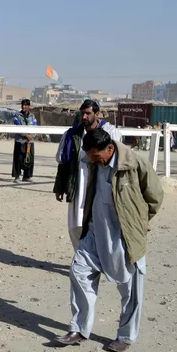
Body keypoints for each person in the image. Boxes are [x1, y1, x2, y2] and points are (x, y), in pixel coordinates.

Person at [55, 128, 164, 352]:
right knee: (79, 272)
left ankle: (125, 336)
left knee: (131, 290)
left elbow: (154, 195)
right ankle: (79, 328)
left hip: (124, 236)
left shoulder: (134, 163)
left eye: (97, 156)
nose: (94, 161)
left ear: (110, 149)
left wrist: (140, 222)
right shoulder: (94, 161)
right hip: (95, 231)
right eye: (91, 157)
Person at [54, 99, 122, 250]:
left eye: (88, 113)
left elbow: (118, 162)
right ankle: (82, 257)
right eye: (82, 113)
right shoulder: (71, 135)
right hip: (78, 186)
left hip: (101, 186)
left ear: (97, 114)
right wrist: (59, 187)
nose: (84, 117)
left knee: (100, 225)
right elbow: (63, 162)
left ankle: (97, 259)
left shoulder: (110, 133)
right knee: (75, 226)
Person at [12, 99, 37, 183]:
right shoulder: (17, 115)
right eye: (23, 105)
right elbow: (17, 126)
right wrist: (26, 136)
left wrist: (31, 136)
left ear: (29, 106)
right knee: (18, 158)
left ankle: (27, 176)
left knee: (30, 158)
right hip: (20, 141)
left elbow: (35, 127)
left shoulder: (32, 117)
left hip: (30, 142)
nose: (24, 107)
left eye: (26, 105)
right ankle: (17, 176)